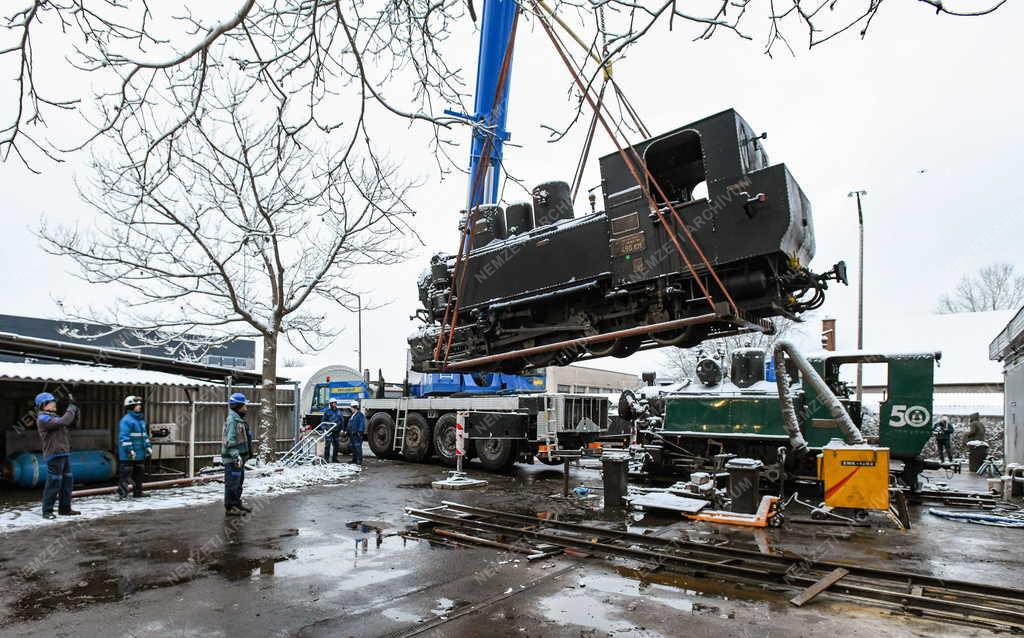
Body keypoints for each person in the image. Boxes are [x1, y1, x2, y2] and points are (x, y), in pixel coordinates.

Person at [35, 391, 81, 520]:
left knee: (67, 482)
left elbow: (72, 423)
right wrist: (71, 408)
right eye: (50, 402)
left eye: (53, 401)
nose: (54, 404)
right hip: (54, 455)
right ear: (43, 405)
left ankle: (65, 509)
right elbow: (63, 422)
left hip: (64, 453)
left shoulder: (53, 417)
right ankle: (47, 511)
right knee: (53, 483)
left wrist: (75, 410)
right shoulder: (43, 418)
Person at [222, 392, 254, 516]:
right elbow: (230, 441)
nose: (246, 408)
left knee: (238, 483)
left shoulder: (238, 420)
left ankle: (236, 504)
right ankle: (230, 507)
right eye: (245, 406)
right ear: (238, 406)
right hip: (233, 459)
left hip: (239, 459)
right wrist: (236, 456)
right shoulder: (233, 421)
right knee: (232, 484)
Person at [117, 395, 152, 499]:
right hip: (128, 453)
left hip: (140, 452)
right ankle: (122, 493)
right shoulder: (126, 420)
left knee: (139, 472)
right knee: (126, 472)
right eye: (137, 405)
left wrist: (148, 447)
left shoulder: (140, 420)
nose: (139, 406)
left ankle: (138, 492)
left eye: (139, 404)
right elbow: (124, 437)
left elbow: (144, 436)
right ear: (131, 406)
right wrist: (130, 450)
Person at [320, 399, 345, 463]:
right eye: (333, 403)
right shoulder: (327, 412)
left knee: (336, 446)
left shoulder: (339, 412)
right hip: (329, 431)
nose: (334, 404)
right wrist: (324, 429)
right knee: (327, 446)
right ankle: (326, 459)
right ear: (330, 404)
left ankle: (335, 459)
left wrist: (342, 429)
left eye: (335, 403)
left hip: (336, 431)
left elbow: (342, 421)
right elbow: (323, 421)